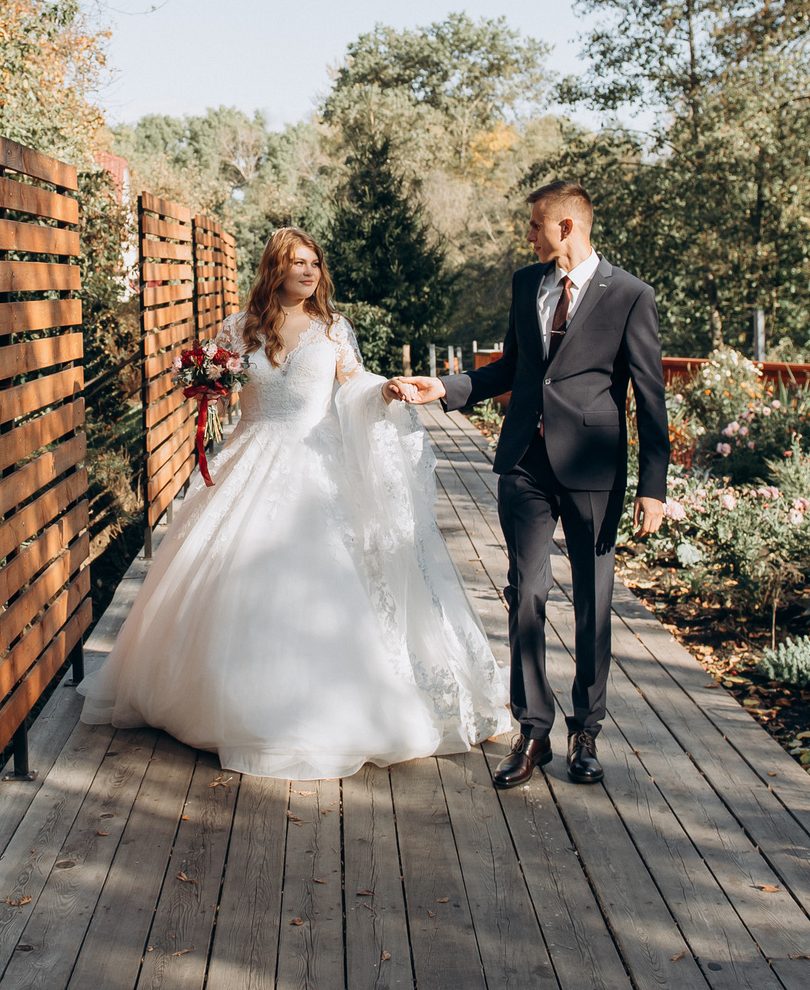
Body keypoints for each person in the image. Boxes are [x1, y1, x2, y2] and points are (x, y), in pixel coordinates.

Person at [79, 228, 513, 778]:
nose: (309, 272)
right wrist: (206, 382)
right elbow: (215, 383)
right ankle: (218, 698)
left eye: (315, 263)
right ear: (275, 269)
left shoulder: (333, 328)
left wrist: (382, 390)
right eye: (298, 263)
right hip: (249, 455)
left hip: (317, 458)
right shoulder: (239, 328)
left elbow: (353, 383)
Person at [388, 182, 667, 790]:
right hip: (524, 464)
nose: (529, 235)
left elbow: (650, 396)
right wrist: (446, 388)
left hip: (593, 469)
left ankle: (585, 730)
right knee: (526, 595)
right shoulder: (526, 285)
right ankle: (533, 730)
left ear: (567, 227)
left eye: (536, 225)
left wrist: (653, 485)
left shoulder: (630, 295)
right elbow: (512, 368)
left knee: (593, 602)